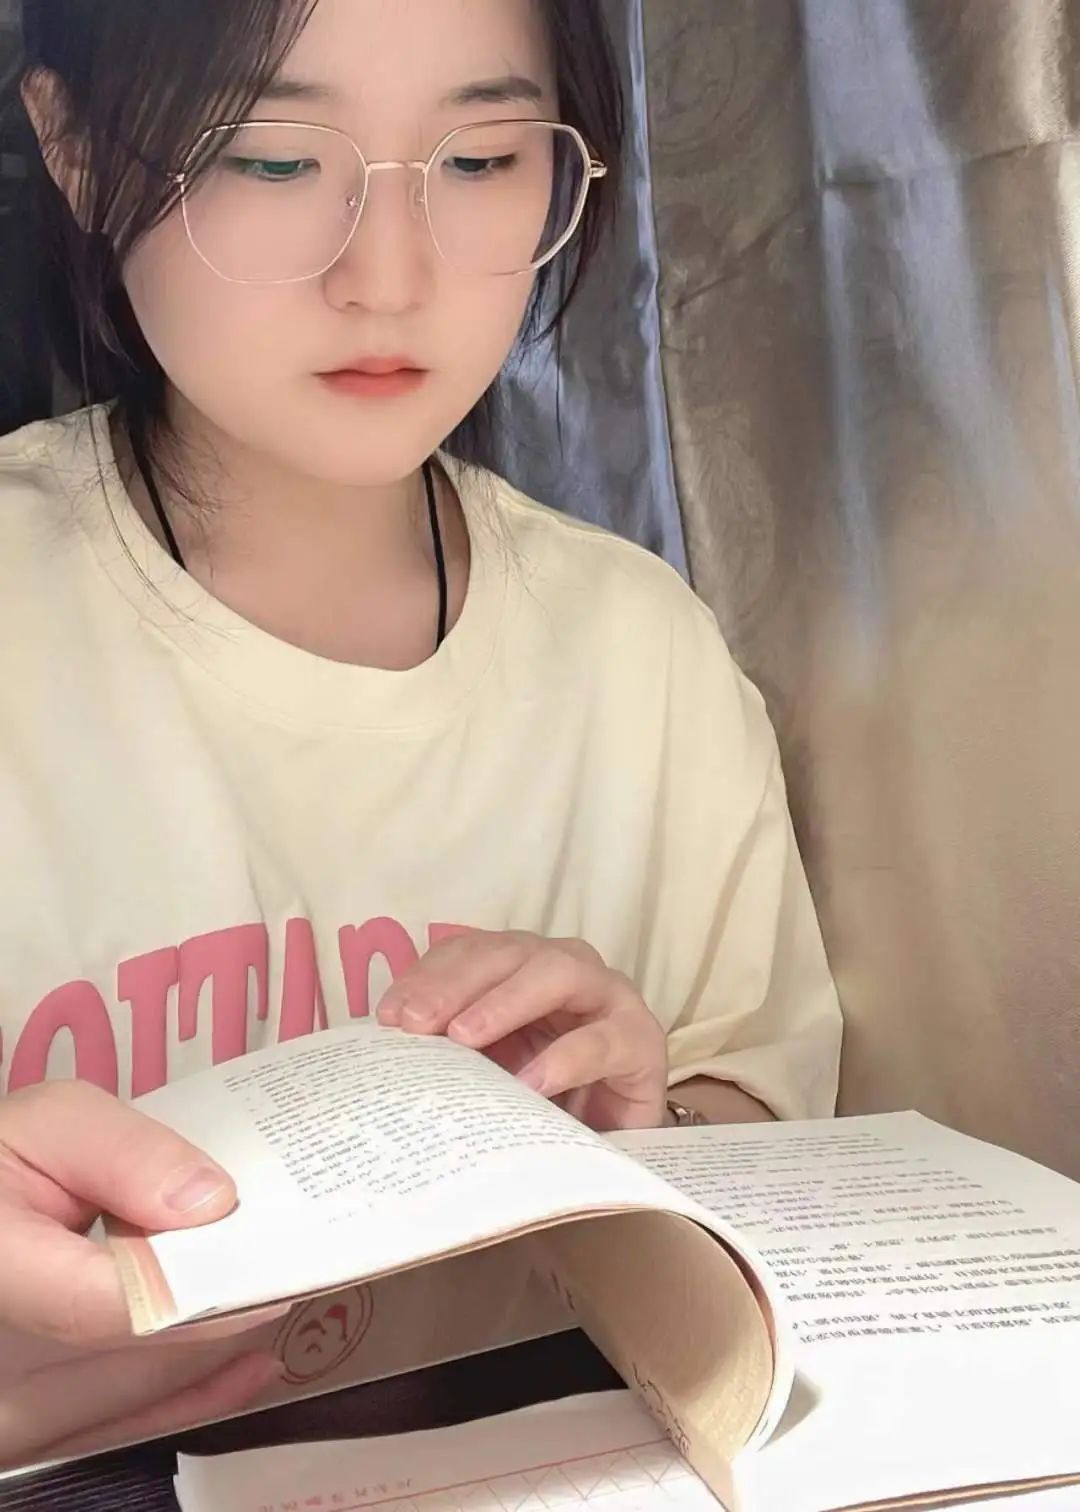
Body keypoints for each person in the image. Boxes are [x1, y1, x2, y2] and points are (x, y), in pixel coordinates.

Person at [0, 0, 842, 1468]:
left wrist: (649, 1133)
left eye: (481, 158)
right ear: (72, 150)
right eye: (271, 158)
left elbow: (762, 1128)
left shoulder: (640, 656)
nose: (385, 278)